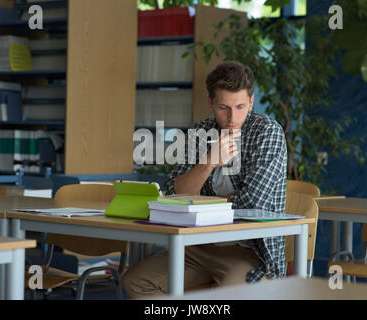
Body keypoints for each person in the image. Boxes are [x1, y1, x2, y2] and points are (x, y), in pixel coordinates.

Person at [122, 61, 287, 298]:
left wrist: (202, 202)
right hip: (199, 245)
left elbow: (253, 201)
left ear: (251, 102)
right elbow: (175, 194)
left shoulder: (267, 132)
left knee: (224, 299)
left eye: (241, 106)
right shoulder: (200, 132)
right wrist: (209, 162)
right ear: (210, 103)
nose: (232, 117)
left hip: (248, 250)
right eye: (223, 107)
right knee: (135, 282)